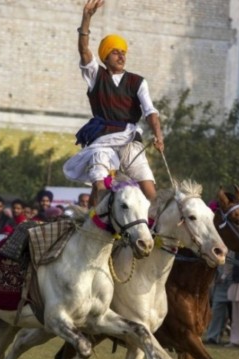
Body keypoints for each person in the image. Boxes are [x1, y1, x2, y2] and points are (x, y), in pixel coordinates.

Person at [63, 0, 164, 205]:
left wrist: (158, 135)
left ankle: (157, 228)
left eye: (123, 52)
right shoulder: (95, 75)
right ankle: (94, 224)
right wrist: (87, 18)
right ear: (105, 56)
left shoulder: (137, 81)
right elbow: (83, 50)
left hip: (129, 139)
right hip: (103, 139)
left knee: (150, 192)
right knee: (99, 183)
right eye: (116, 52)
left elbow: (150, 111)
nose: (121, 56)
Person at [204, 258, 233, 345]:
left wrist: (224, 276)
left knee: (234, 314)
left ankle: (235, 339)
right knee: (216, 311)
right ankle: (212, 337)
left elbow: (230, 265)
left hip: (233, 282)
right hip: (220, 284)